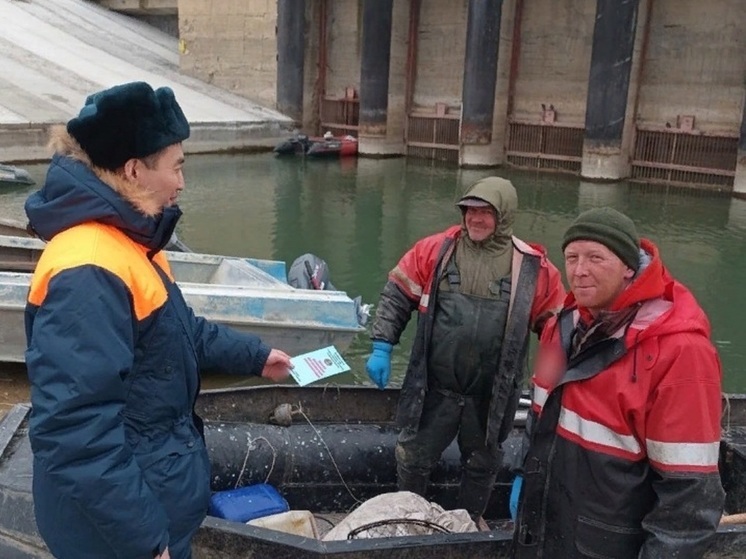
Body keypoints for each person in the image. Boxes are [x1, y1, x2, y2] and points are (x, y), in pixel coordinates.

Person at [23, 81, 292, 559]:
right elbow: (76, 429)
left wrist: (255, 355)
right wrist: (144, 541)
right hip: (109, 535)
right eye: (177, 166)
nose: (182, 183)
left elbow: (179, 330)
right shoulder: (89, 270)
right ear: (134, 170)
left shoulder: (130, 243)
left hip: (151, 506)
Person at [513, 207, 725, 558]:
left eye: (596, 258)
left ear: (630, 266)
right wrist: (525, 475)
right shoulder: (559, 327)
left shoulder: (680, 352)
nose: (579, 271)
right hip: (546, 535)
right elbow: (539, 419)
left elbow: (689, 502)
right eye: (572, 257)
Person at [365, 176, 565, 522]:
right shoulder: (436, 250)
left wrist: (552, 386)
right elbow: (397, 295)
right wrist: (382, 344)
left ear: (504, 215)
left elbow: (557, 332)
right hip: (434, 389)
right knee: (413, 457)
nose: (475, 219)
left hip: (492, 397)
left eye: (484, 212)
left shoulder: (533, 268)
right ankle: (407, 521)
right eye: (469, 210)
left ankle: (468, 525)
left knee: (482, 463)